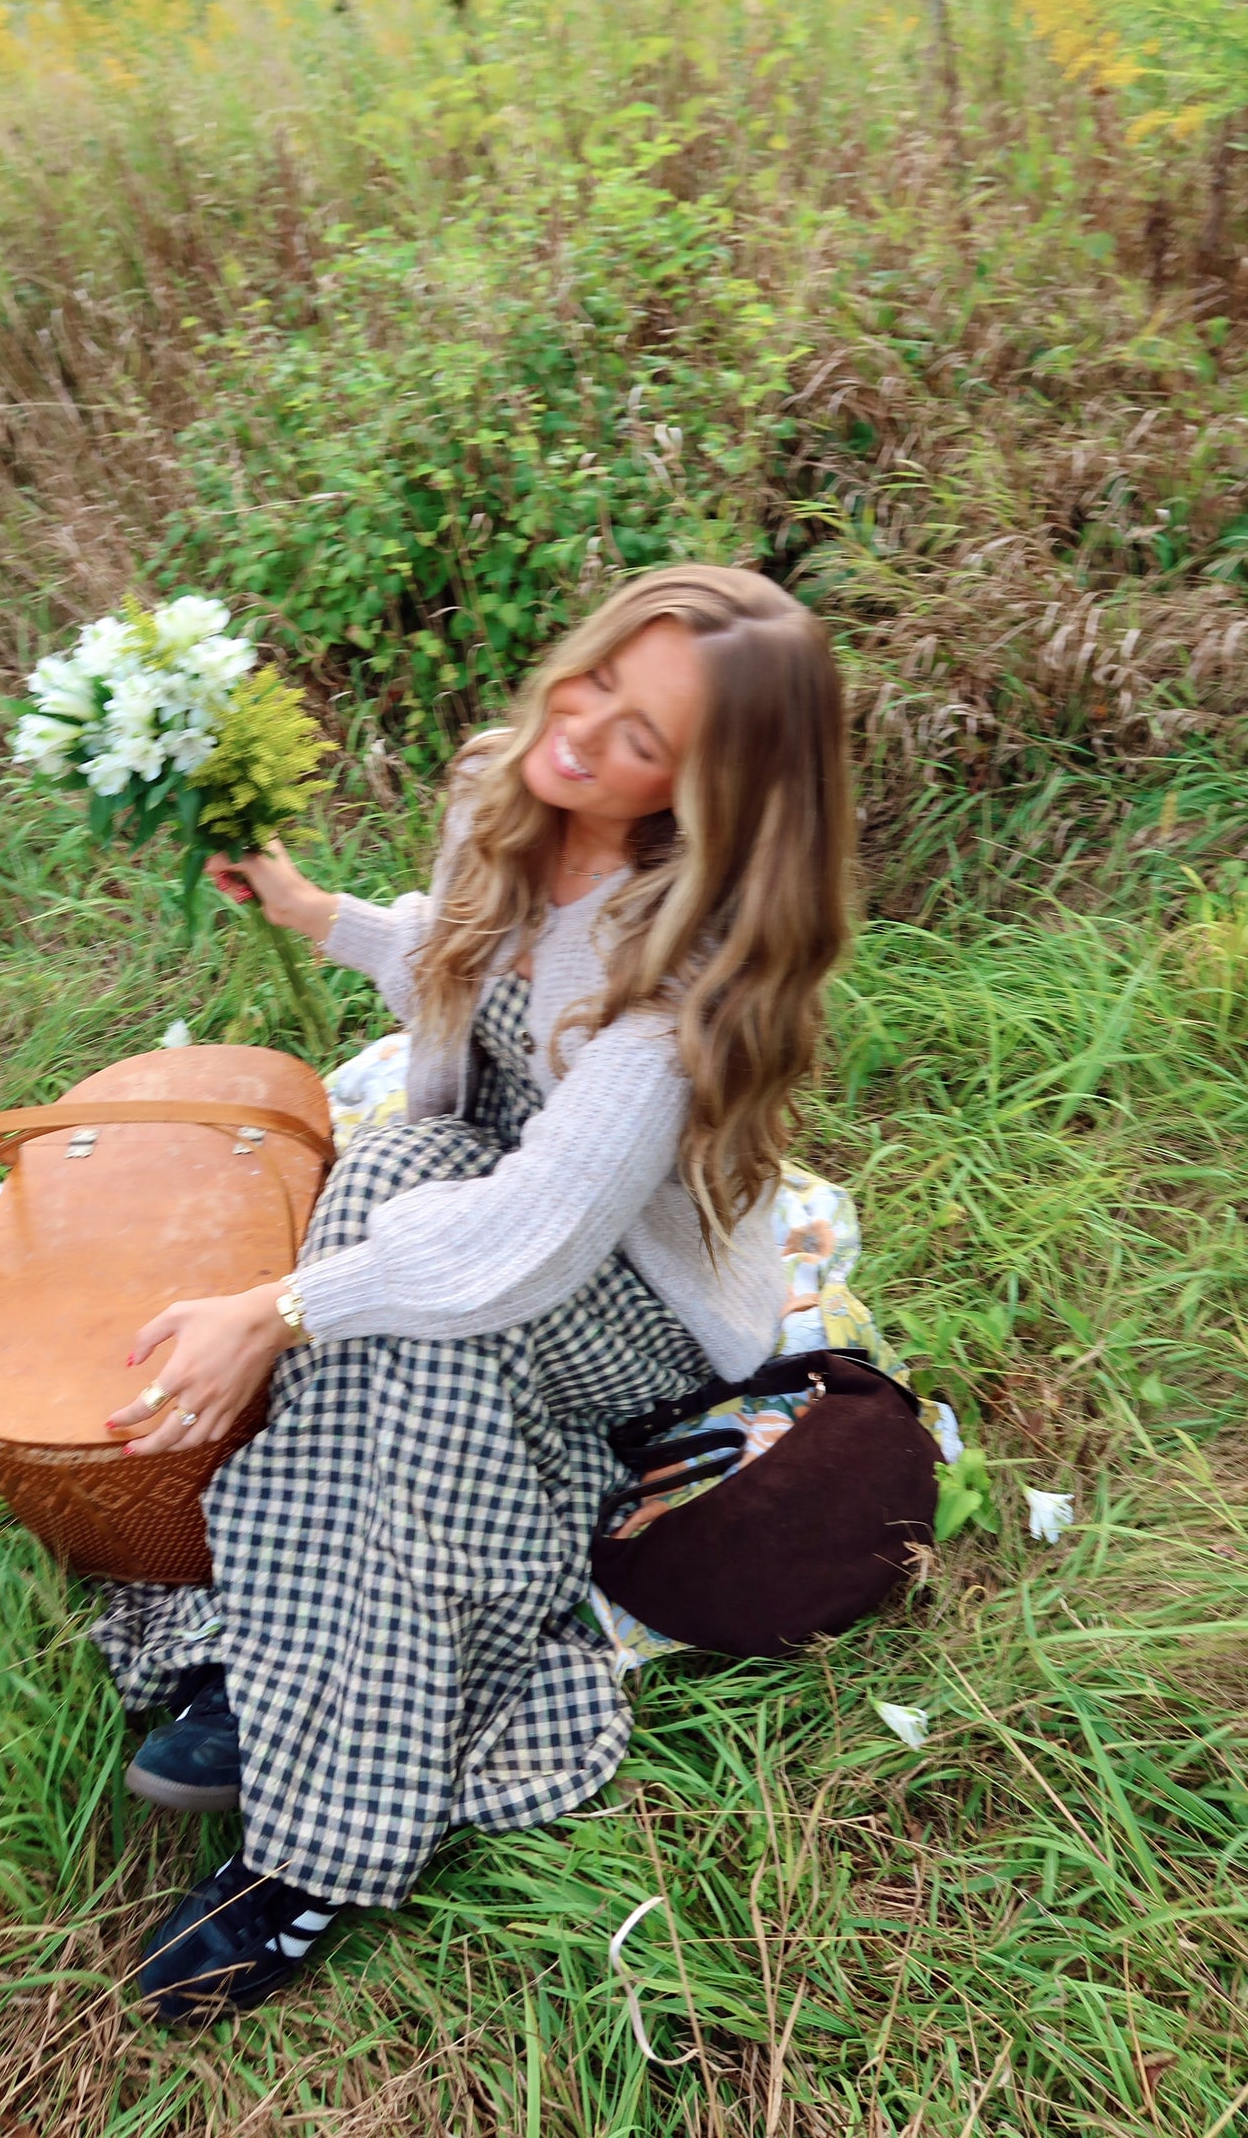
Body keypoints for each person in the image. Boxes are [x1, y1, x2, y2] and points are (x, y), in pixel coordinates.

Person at [94, 564, 851, 2021]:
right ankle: (287, 1662)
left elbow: (539, 1239)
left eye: (642, 738)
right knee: (380, 1196)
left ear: (715, 796)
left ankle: (325, 1844)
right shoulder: (507, 790)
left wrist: (278, 1310)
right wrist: (312, 909)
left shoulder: (692, 966)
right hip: (479, 1180)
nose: (579, 733)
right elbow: (455, 974)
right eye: (592, 681)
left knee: (418, 1339)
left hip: (624, 1281)